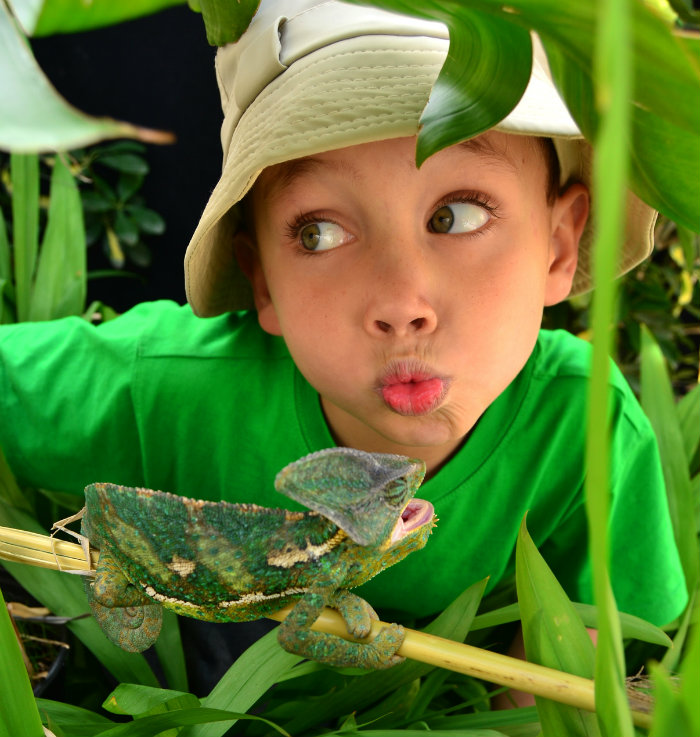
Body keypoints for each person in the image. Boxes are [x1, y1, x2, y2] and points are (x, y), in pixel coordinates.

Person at [0, 0, 687, 694]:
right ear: (261, 276)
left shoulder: (587, 426)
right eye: (318, 233)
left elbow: (600, 639)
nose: (400, 304)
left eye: (457, 215)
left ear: (560, 243)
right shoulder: (172, 382)